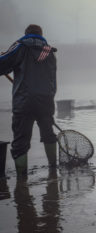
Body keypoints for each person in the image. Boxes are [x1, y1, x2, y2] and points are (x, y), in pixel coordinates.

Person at [0, 24, 57, 177]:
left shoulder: (20, 47)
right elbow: (53, 82)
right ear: (41, 35)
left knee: (20, 141)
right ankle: (53, 170)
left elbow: (2, 65)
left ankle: (22, 179)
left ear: (26, 34)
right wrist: (48, 98)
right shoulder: (49, 52)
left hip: (24, 102)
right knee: (48, 134)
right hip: (46, 101)